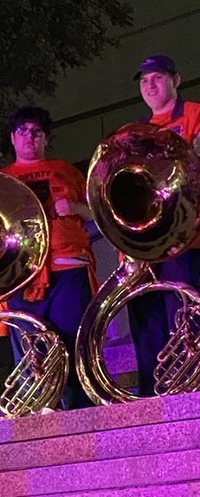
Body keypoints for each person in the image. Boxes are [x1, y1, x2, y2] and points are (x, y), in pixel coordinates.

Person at [0, 106, 94, 410]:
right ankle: (39, 414)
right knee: (32, 351)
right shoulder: (0, 180)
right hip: (22, 274)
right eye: (22, 131)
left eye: (36, 132)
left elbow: (95, 210)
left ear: (46, 139)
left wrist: (74, 207)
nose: (29, 137)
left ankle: (83, 413)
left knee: (74, 344)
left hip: (68, 267)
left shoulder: (66, 170)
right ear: (13, 139)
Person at [128, 55, 200, 394]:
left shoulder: (194, 115)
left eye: (157, 78)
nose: (149, 85)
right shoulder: (138, 132)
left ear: (177, 79)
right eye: (144, 81)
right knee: (149, 319)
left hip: (189, 237)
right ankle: (156, 390)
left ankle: (191, 385)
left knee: (186, 314)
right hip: (150, 242)